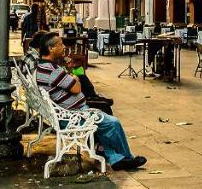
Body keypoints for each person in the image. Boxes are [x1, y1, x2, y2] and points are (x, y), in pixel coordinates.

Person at [35, 32, 144, 171]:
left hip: (67, 112)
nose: (63, 47)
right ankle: (127, 158)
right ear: (51, 48)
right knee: (113, 123)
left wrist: (72, 77)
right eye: (60, 45)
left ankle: (115, 158)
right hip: (72, 116)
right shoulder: (53, 71)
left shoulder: (43, 67)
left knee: (102, 116)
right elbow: (77, 88)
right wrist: (75, 78)